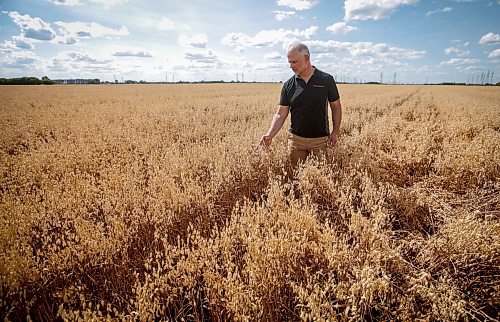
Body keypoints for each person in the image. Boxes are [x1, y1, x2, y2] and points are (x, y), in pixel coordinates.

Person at [259, 42, 342, 168]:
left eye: (294, 62)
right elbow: (281, 113)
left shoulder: (326, 80)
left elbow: (336, 107)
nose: (291, 66)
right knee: (296, 177)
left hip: (319, 141)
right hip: (296, 141)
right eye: (289, 62)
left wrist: (335, 132)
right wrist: (270, 134)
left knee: (321, 177)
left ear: (307, 58)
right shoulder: (288, 85)